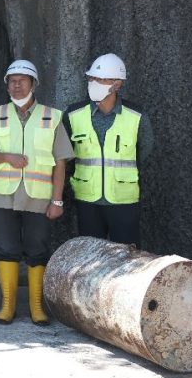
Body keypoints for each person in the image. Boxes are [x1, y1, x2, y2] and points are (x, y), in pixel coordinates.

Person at [0, 60, 73, 326]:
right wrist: (5, 157)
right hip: (3, 194)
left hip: (38, 196)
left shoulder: (52, 116)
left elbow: (61, 161)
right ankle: (8, 305)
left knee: (37, 249)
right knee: (6, 248)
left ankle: (36, 306)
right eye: (12, 80)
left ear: (34, 84)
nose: (17, 84)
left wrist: (57, 200)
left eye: (23, 79)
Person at [65, 53, 153, 246]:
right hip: (87, 199)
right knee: (89, 256)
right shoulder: (73, 114)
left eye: (102, 79)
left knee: (127, 257)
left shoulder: (136, 116)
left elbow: (144, 150)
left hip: (124, 200)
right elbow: (66, 156)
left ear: (117, 84)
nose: (94, 83)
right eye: (92, 78)